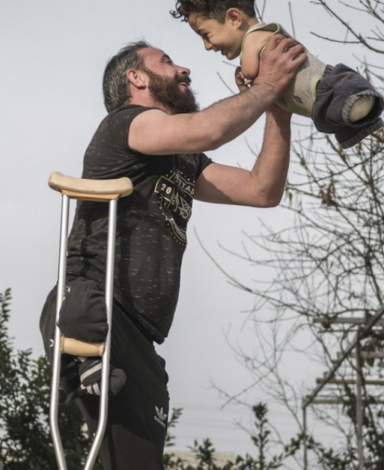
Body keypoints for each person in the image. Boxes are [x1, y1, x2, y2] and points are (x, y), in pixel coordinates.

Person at [40, 34, 305, 469]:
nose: (184, 68)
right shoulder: (127, 123)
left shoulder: (183, 160)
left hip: (138, 334)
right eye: (167, 61)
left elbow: (262, 189)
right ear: (136, 78)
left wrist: (279, 108)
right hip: (97, 307)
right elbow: (210, 130)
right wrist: (266, 87)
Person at [171, 0, 384, 149]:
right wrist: (251, 92)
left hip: (326, 87)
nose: (207, 46)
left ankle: (359, 104)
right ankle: (360, 116)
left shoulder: (256, 36)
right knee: (342, 117)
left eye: (206, 35)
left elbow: (251, 72)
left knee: (340, 98)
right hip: (319, 102)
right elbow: (264, 92)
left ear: (234, 18)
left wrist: (243, 76)